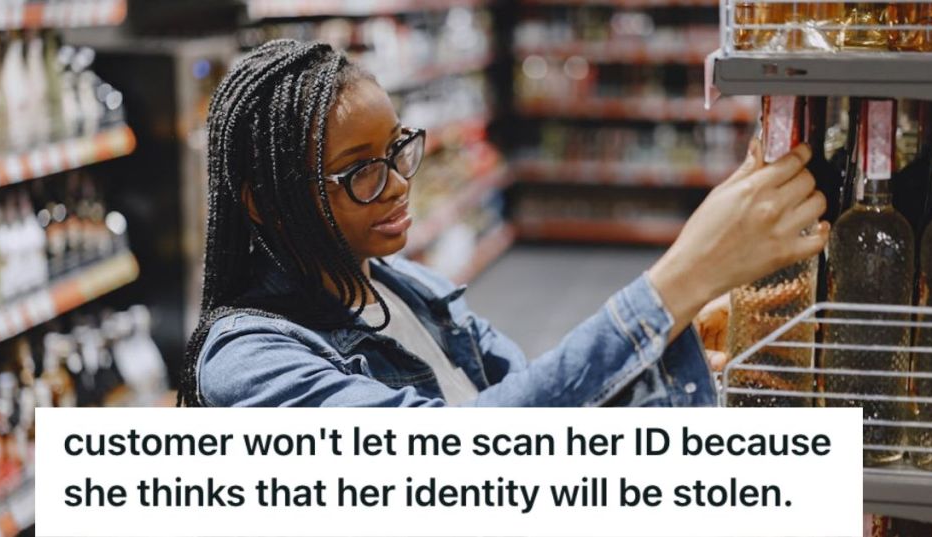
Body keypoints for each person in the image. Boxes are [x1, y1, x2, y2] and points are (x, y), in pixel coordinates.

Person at [177, 40, 829, 408]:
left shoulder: (404, 286)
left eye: (398, 149)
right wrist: (678, 283)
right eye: (359, 171)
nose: (401, 183)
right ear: (262, 202)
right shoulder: (250, 364)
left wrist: (683, 339)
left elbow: (538, 399)